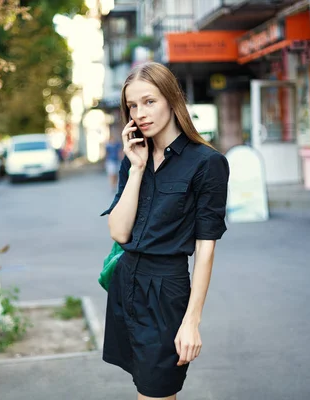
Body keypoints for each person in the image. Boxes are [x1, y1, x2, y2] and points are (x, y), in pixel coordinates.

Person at [100, 62, 230, 399]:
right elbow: (119, 232)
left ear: (172, 99)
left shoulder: (207, 163)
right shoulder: (134, 158)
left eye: (149, 101)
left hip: (165, 292)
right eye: (132, 105)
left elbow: (206, 248)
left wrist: (192, 321)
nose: (140, 113)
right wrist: (138, 168)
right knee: (145, 388)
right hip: (126, 284)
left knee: (156, 392)